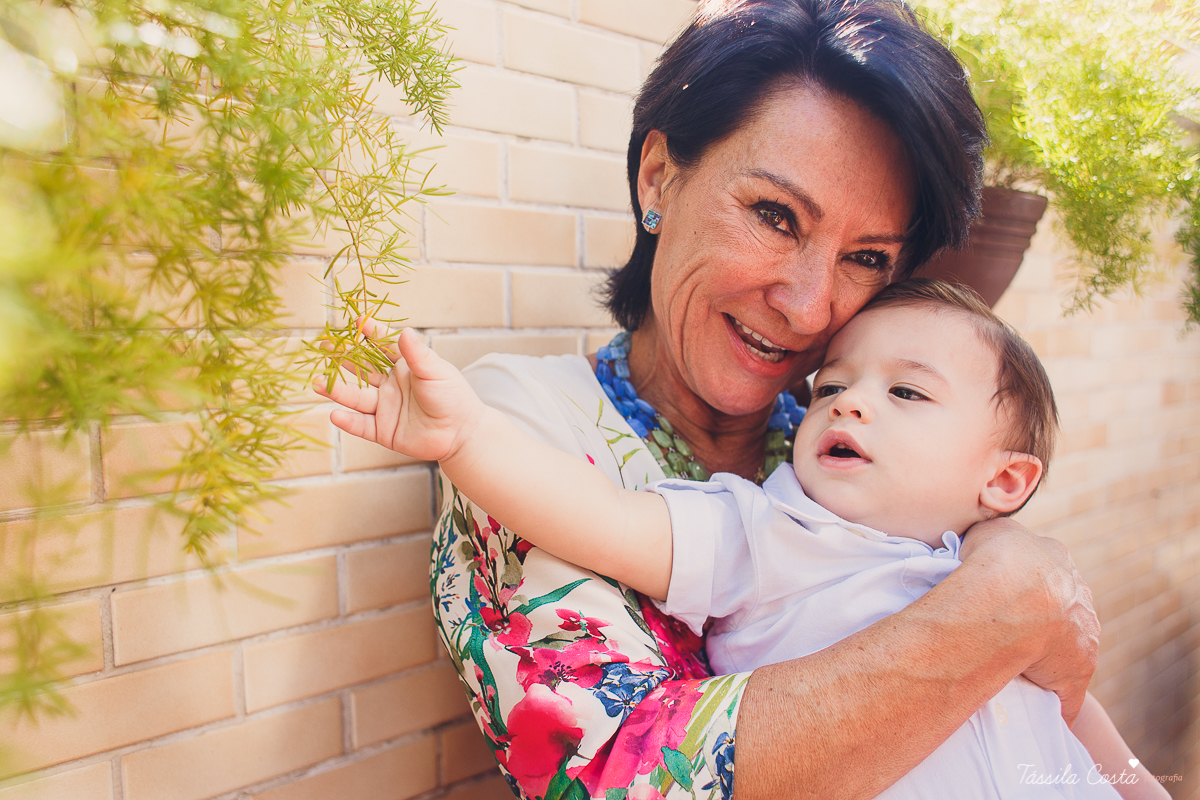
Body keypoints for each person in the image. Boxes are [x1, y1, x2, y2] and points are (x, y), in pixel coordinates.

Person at [322, 2, 1101, 797]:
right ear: (658, 176)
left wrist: (1012, 560)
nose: (807, 306)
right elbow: (635, 774)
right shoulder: (529, 422)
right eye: (775, 216)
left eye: (866, 257)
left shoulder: (839, 448)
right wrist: (1000, 605)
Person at [317, 279, 1164, 800]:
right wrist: (469, 440)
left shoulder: (976, 568)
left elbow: (1077, 718)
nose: (847, 403)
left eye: (906, 394)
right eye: (832, 384)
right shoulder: (768, 526)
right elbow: (607, 523)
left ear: (1004, 482)